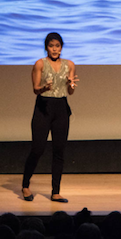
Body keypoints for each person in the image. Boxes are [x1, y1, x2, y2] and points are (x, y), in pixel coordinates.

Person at [22, 32, 79, 203]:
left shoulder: (70, 64)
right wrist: (44, 88)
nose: (54, 49)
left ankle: (56, 191)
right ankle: (25, 185)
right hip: (43, 107)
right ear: (46, 47)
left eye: (57, 46)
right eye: (51, 46)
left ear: (62, 47)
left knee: (59, 150)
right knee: (38, 149)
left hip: (61, 108)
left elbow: (70, 91)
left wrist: (71, 86)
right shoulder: (40, 64)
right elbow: (35, 89)